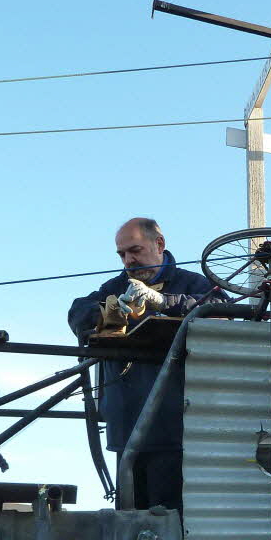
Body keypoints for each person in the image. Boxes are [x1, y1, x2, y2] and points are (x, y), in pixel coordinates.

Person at [68, 217, 215, 510]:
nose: (128, 260)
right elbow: (77, 313)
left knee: (173, 517)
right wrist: (108, 312)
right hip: (126, 423)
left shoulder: (194, 283)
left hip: (179, 426)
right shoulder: (115, 287)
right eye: (122, 254)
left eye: (135, 250)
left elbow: (219, 310)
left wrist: (163, 302)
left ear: (159, 244)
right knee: (130, 515)